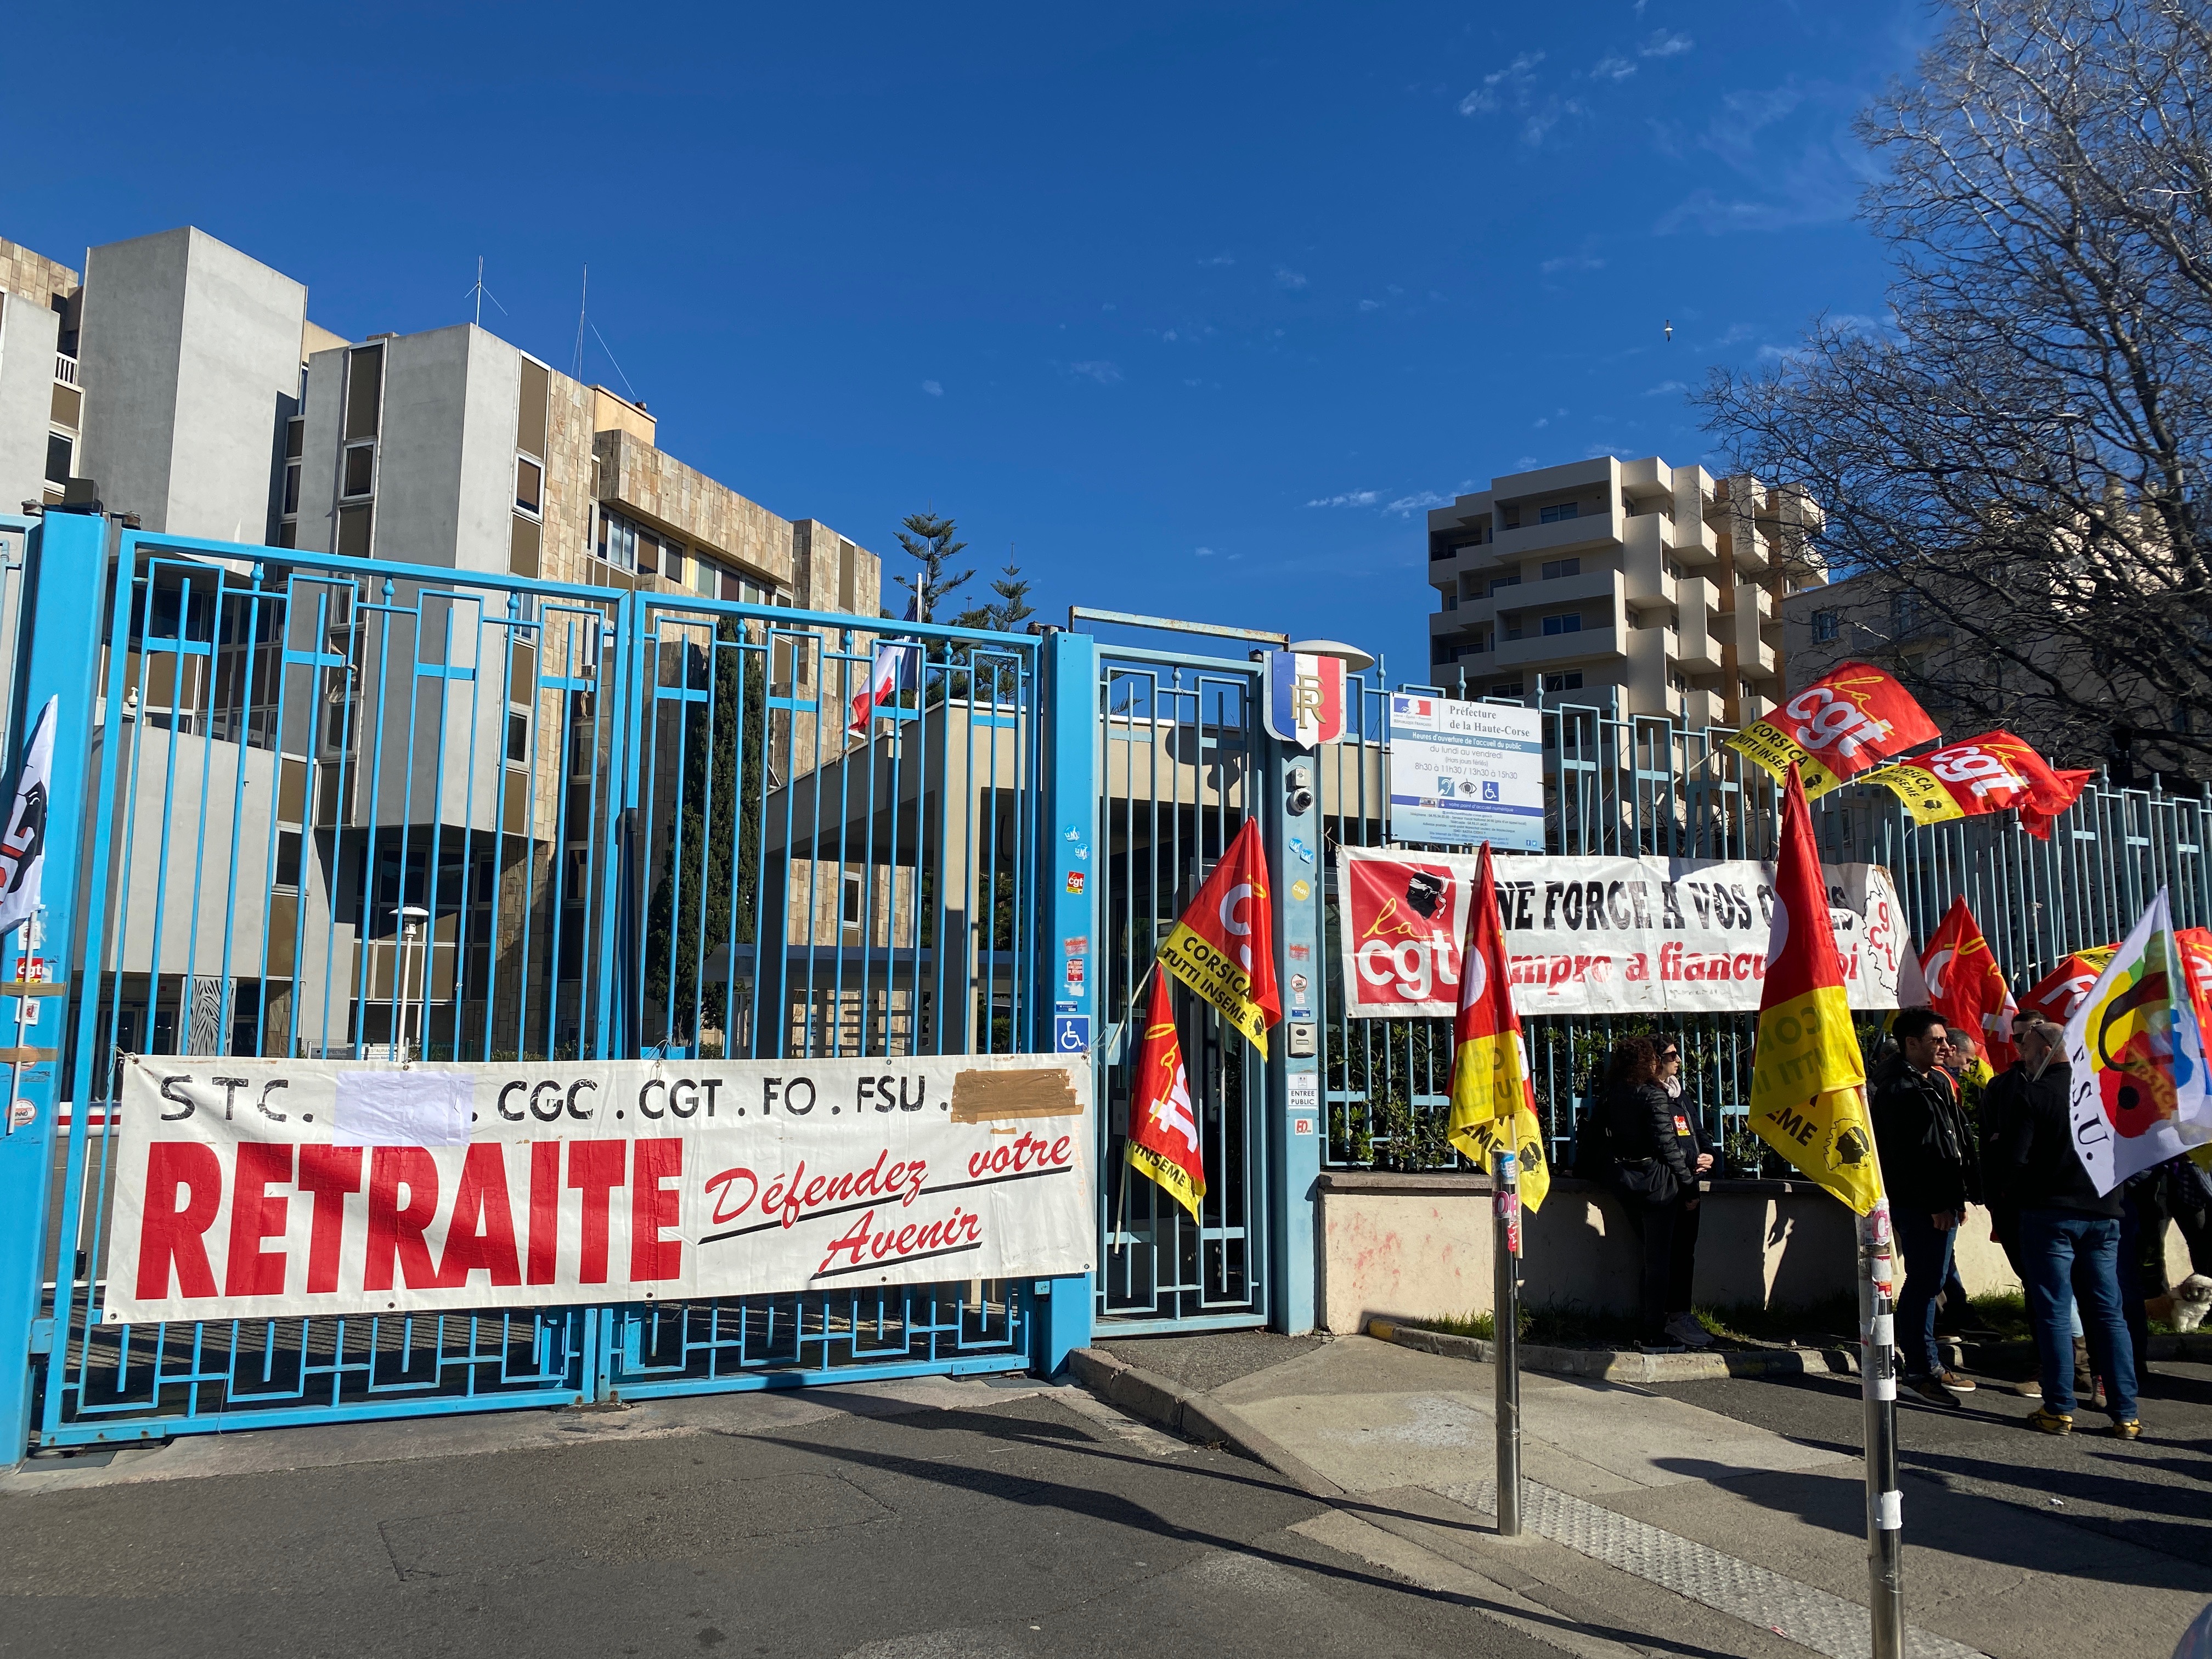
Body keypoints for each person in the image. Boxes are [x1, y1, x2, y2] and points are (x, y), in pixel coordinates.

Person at [2002, 1017, 2140, 1437]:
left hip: (2051, 1215)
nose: (2021, 1054)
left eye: (2026, 1046)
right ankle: (2126, 1414)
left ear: (2046, 1050)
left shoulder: (2034, 1093)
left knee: (2055, 1312)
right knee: (2108, 1314)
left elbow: (2015, 1160)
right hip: (2104, 1213)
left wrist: (2013, 1195)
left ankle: (2059, 1408)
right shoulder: (2102, 1095)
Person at [1869, 1007, 1980, 1403]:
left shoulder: (1932, 1080)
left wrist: (1958, 1196)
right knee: (1925, 1282)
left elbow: (1951, 1141)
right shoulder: (1899, 1088)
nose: (1946, 1047)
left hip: (1941, 1200)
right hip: (1921, 1205)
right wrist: (1937, 1203)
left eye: (1946, 1040)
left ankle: (1923, 1359)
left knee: (1930, 1281)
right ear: (1910, 1043)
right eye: (1937, 1041)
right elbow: (1911, 1157)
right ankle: (1920, 1365)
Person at [1601, 1034, 1713, 1351]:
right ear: (1651, 1060)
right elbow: (1665, 1144)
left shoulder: (1627, 1093)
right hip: (1662, 1185)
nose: (1677, 1060)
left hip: (1641, 1181)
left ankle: (1662, 1323)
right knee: (1661, 1259)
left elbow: (1696, 1131)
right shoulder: (1651, 1095)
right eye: (1670, 1056)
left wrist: (1706, 1154)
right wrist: (1690, 1181)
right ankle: (1655, 1329)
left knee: (1664, 1256)